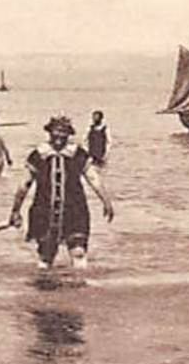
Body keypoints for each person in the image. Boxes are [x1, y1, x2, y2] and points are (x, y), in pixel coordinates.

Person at [8, 115, 115, 270]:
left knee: (78, 252)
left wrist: (106, 201)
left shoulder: (78, 154)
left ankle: (80, 289)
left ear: (69, 134)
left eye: (64, 132)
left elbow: (93, 178)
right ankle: (44, 290)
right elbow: (24, 185)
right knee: (46, 255)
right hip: (44, 210)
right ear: (49, 132)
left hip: (75, 210)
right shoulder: (38, 155)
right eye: (56, 131)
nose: (59, 136)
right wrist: (15, 210)